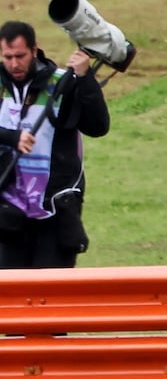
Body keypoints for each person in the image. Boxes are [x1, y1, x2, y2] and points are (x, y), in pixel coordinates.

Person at [0, 22, 108, 270]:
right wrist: (11, 137)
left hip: (55, 211)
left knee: (51, 299)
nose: (14, 64)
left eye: (20, 56)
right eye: (7, 57)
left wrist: (85, 78)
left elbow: (98, 126)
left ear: (35, 50)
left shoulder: (61, 84)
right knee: (9, 301)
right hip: (8, 213)